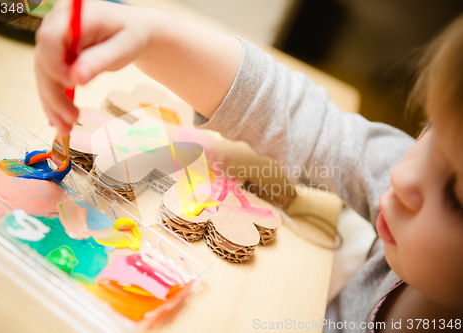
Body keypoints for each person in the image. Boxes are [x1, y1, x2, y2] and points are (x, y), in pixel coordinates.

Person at [35, 1, 463, 331]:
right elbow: (290, 114)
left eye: (456, 195)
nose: (403, 175)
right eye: (428, 129)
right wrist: (150, 37)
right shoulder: (394, 167)